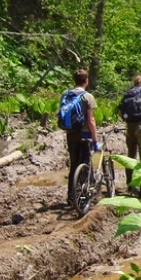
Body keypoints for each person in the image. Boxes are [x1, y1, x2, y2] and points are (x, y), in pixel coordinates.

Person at [64, 68, 99, 204]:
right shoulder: (87, 96)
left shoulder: (66, 94)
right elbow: (90, 120)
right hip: (84, 134)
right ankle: (83, 196)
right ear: (86, 81)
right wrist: (95, 139)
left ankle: (71, 196)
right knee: (85, 163)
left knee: (74, 164)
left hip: (70, 133)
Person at [117, 74, 141, 194]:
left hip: (129, 127)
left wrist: (128, 121)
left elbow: (119, 112)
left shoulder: (128, 93)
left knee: (131, 157)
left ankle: (130, 186)